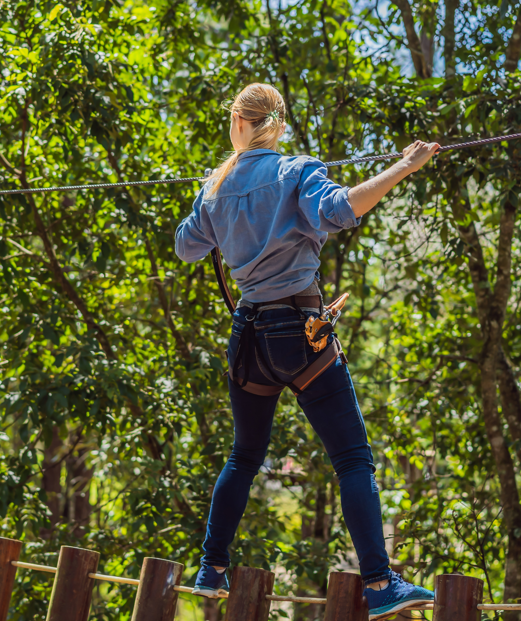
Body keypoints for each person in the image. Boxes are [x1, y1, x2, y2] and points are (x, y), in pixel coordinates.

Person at [175, 82, 440, 620]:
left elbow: (186, 247)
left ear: (238, 123)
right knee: (352, 459)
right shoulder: (297, 170)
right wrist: (404, 166)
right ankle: (379, 583)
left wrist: (212, 195)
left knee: (244, 456)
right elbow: (342, 209)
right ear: (278, 126)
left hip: (249, 338)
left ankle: (211, 568)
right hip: (300, 333)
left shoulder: (215, 187)